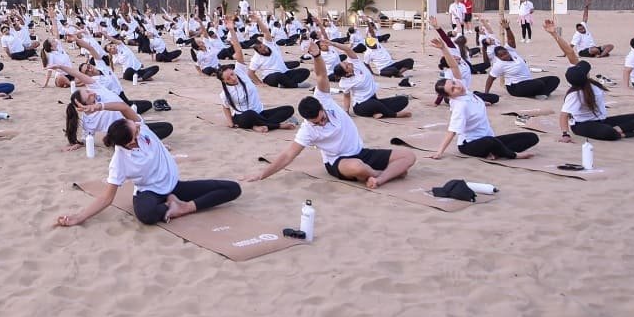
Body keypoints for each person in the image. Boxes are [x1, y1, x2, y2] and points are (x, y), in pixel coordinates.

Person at [245, 50, 416, 188]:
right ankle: (379, 176)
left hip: (361, 153)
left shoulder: (324, 99)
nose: (321, 123)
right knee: (357, 167)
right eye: (316, 123)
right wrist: (262, 175)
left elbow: (321, 75)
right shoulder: (307, 130)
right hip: (339, 162)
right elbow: (287, 155)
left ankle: (380, 177)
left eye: (322, 118)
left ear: (322, 108)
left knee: (408, 156)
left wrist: (317, 56)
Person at [54, 110, 240, 227]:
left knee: (232, 189)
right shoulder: (119, 162)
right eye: (135, 129)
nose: (137, 125)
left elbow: (123, 107)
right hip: (150, 192)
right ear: (130, 141)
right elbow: (106, 198)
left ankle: (184, 207)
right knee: (146, 215)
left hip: (175, 186)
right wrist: (79, 217)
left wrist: (100, 106)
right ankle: (169, 204)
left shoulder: (144, 130)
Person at [427, 33, 539, 160]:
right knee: (491, 142)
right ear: (450, 96)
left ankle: (496, 152)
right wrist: (439, 152)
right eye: (453, 89)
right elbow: (451, 131)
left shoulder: (463, 88)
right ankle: (512, 155)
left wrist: (443, 48)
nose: (457, 86)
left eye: (454, 83)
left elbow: (453, 66)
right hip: (470, 145)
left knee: (531, 137)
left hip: (488, 138)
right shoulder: (459, 106)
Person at [544, 21, 634, 142]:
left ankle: (618, 131)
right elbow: (564, 115)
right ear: (585, 76)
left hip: (602, 121)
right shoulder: (574, 94)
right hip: (582, 125)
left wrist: (554, 34)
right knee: (607, 133)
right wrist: (565, 135)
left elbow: (570, 52)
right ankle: (618, 133)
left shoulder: (584, 80)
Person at [325, 41, 411, 118]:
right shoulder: (345, 83)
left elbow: (347, 49)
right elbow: (346, 97)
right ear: (347, 73)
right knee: (375, 104)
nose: (348, 63)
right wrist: (346, 112)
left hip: (373, 99)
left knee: (402, 100)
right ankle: (394, 115)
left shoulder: (356, 63)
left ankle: (378, 112)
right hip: (361, 106)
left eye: (345, 62)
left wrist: (333, 43)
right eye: (347, 66)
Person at [483, 21, 560, 99]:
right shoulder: (499, 64)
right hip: (515, 87)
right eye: (502, 56)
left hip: (528, 81)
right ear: (498, 57)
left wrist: (507, 28)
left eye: (505, 53)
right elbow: (490, 79)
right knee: (539, 84)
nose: (505, 56)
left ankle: (542, 94)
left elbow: (511, 40)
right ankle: (541, 92)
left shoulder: (511, 51)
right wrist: (486, 93)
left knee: (554, 79)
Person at [216, 63, 297, 131]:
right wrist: (230, 123)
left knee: (288, 109)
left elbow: (239, 54)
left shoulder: (243, 76)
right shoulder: (225, 94)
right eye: (228, 78)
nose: (233, 78)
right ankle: (278, 126)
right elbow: (225, 107)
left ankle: (255, 126)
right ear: (224, 81)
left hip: (260, 113)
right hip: (243, 116)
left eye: (232, 74)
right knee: (250, 114)